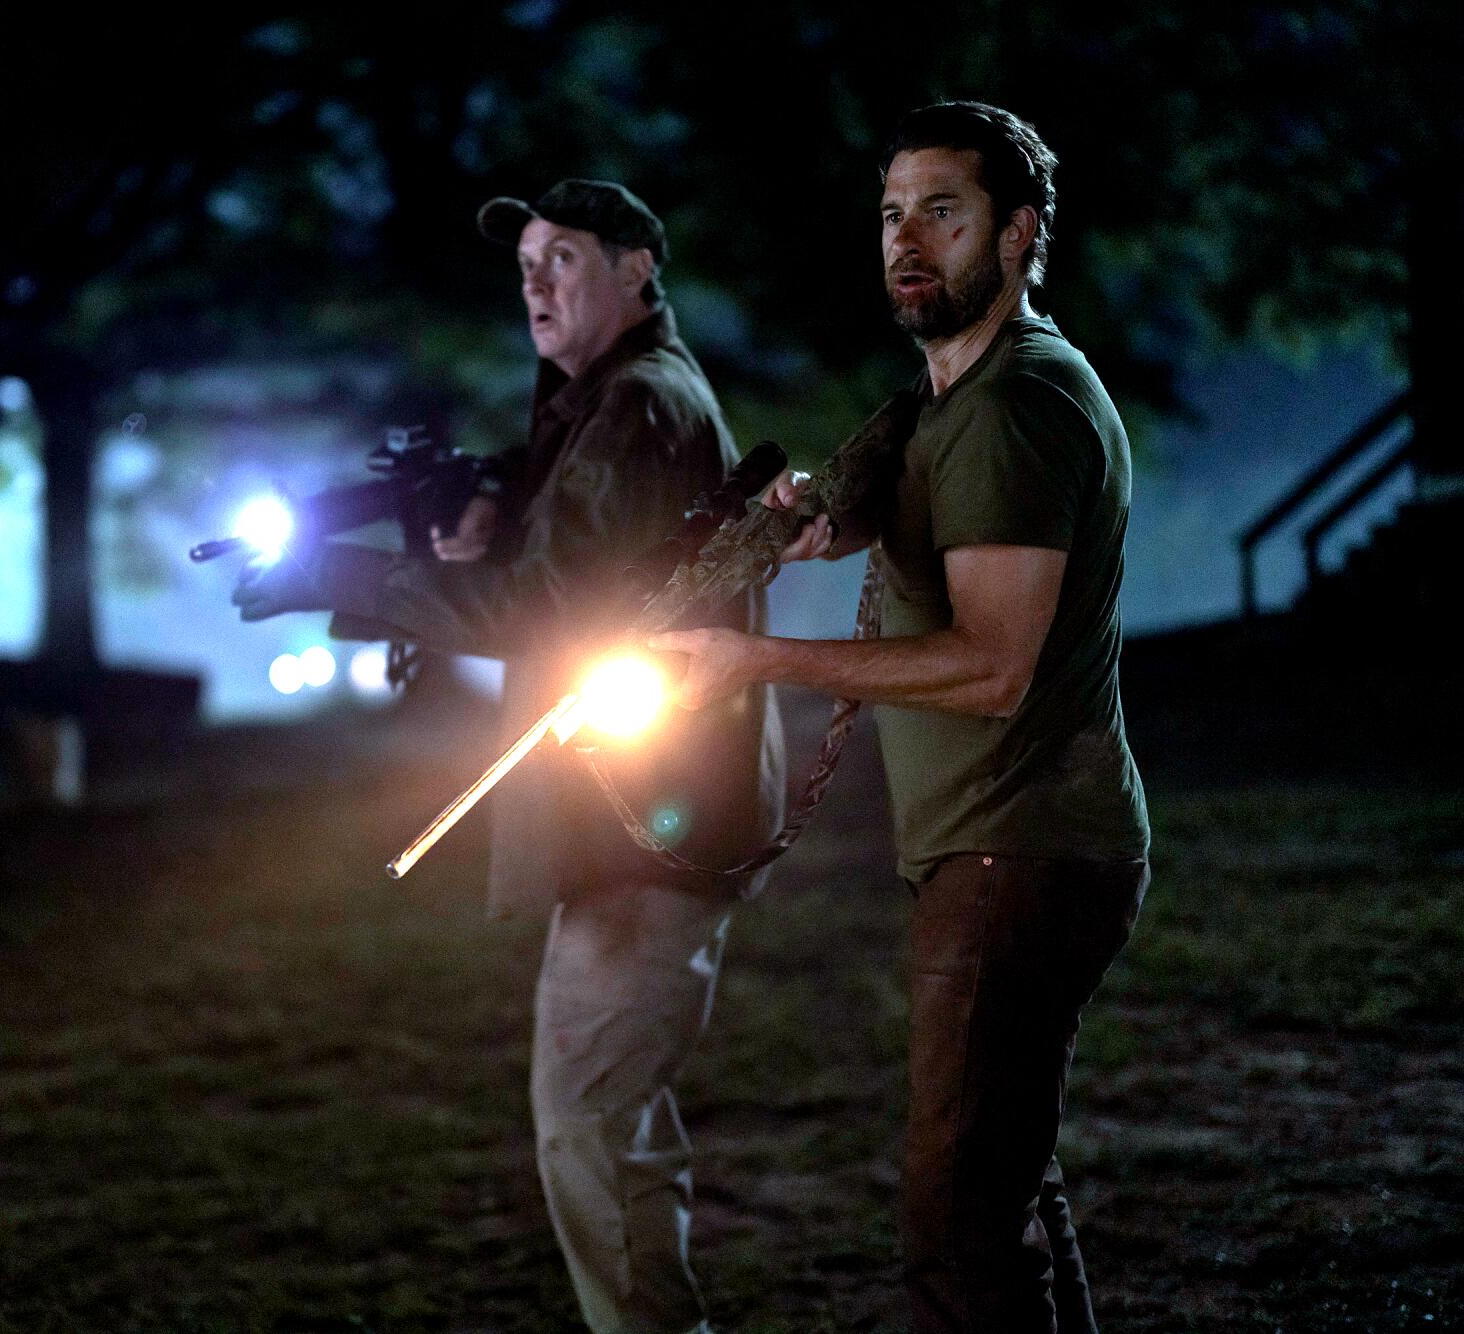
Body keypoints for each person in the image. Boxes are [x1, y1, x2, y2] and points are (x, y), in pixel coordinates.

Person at [233, 179, 785, 1334]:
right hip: (634, 813)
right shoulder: (598, 405)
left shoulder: (634, 403)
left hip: (647, 819)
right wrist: (482, 508)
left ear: (637, 270)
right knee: (611, 1123)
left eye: (565, 256)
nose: (533, 280)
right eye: (525, 261)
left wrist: (336, 580)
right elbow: (553, 553)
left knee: (583, 1121)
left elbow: (545, 604)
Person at [652, 103, 1151, 1333]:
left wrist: (754, 656)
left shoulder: (1009, 407)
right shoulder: (958, 396)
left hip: (1018, 850)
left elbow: (992, 665)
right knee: (1005, 1187)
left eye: (943, 211)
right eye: (889, 214)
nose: (905, 241)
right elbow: (913, 497)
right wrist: (823, 514)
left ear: (1019, 232)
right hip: (1005, 847)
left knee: (953, 1220)